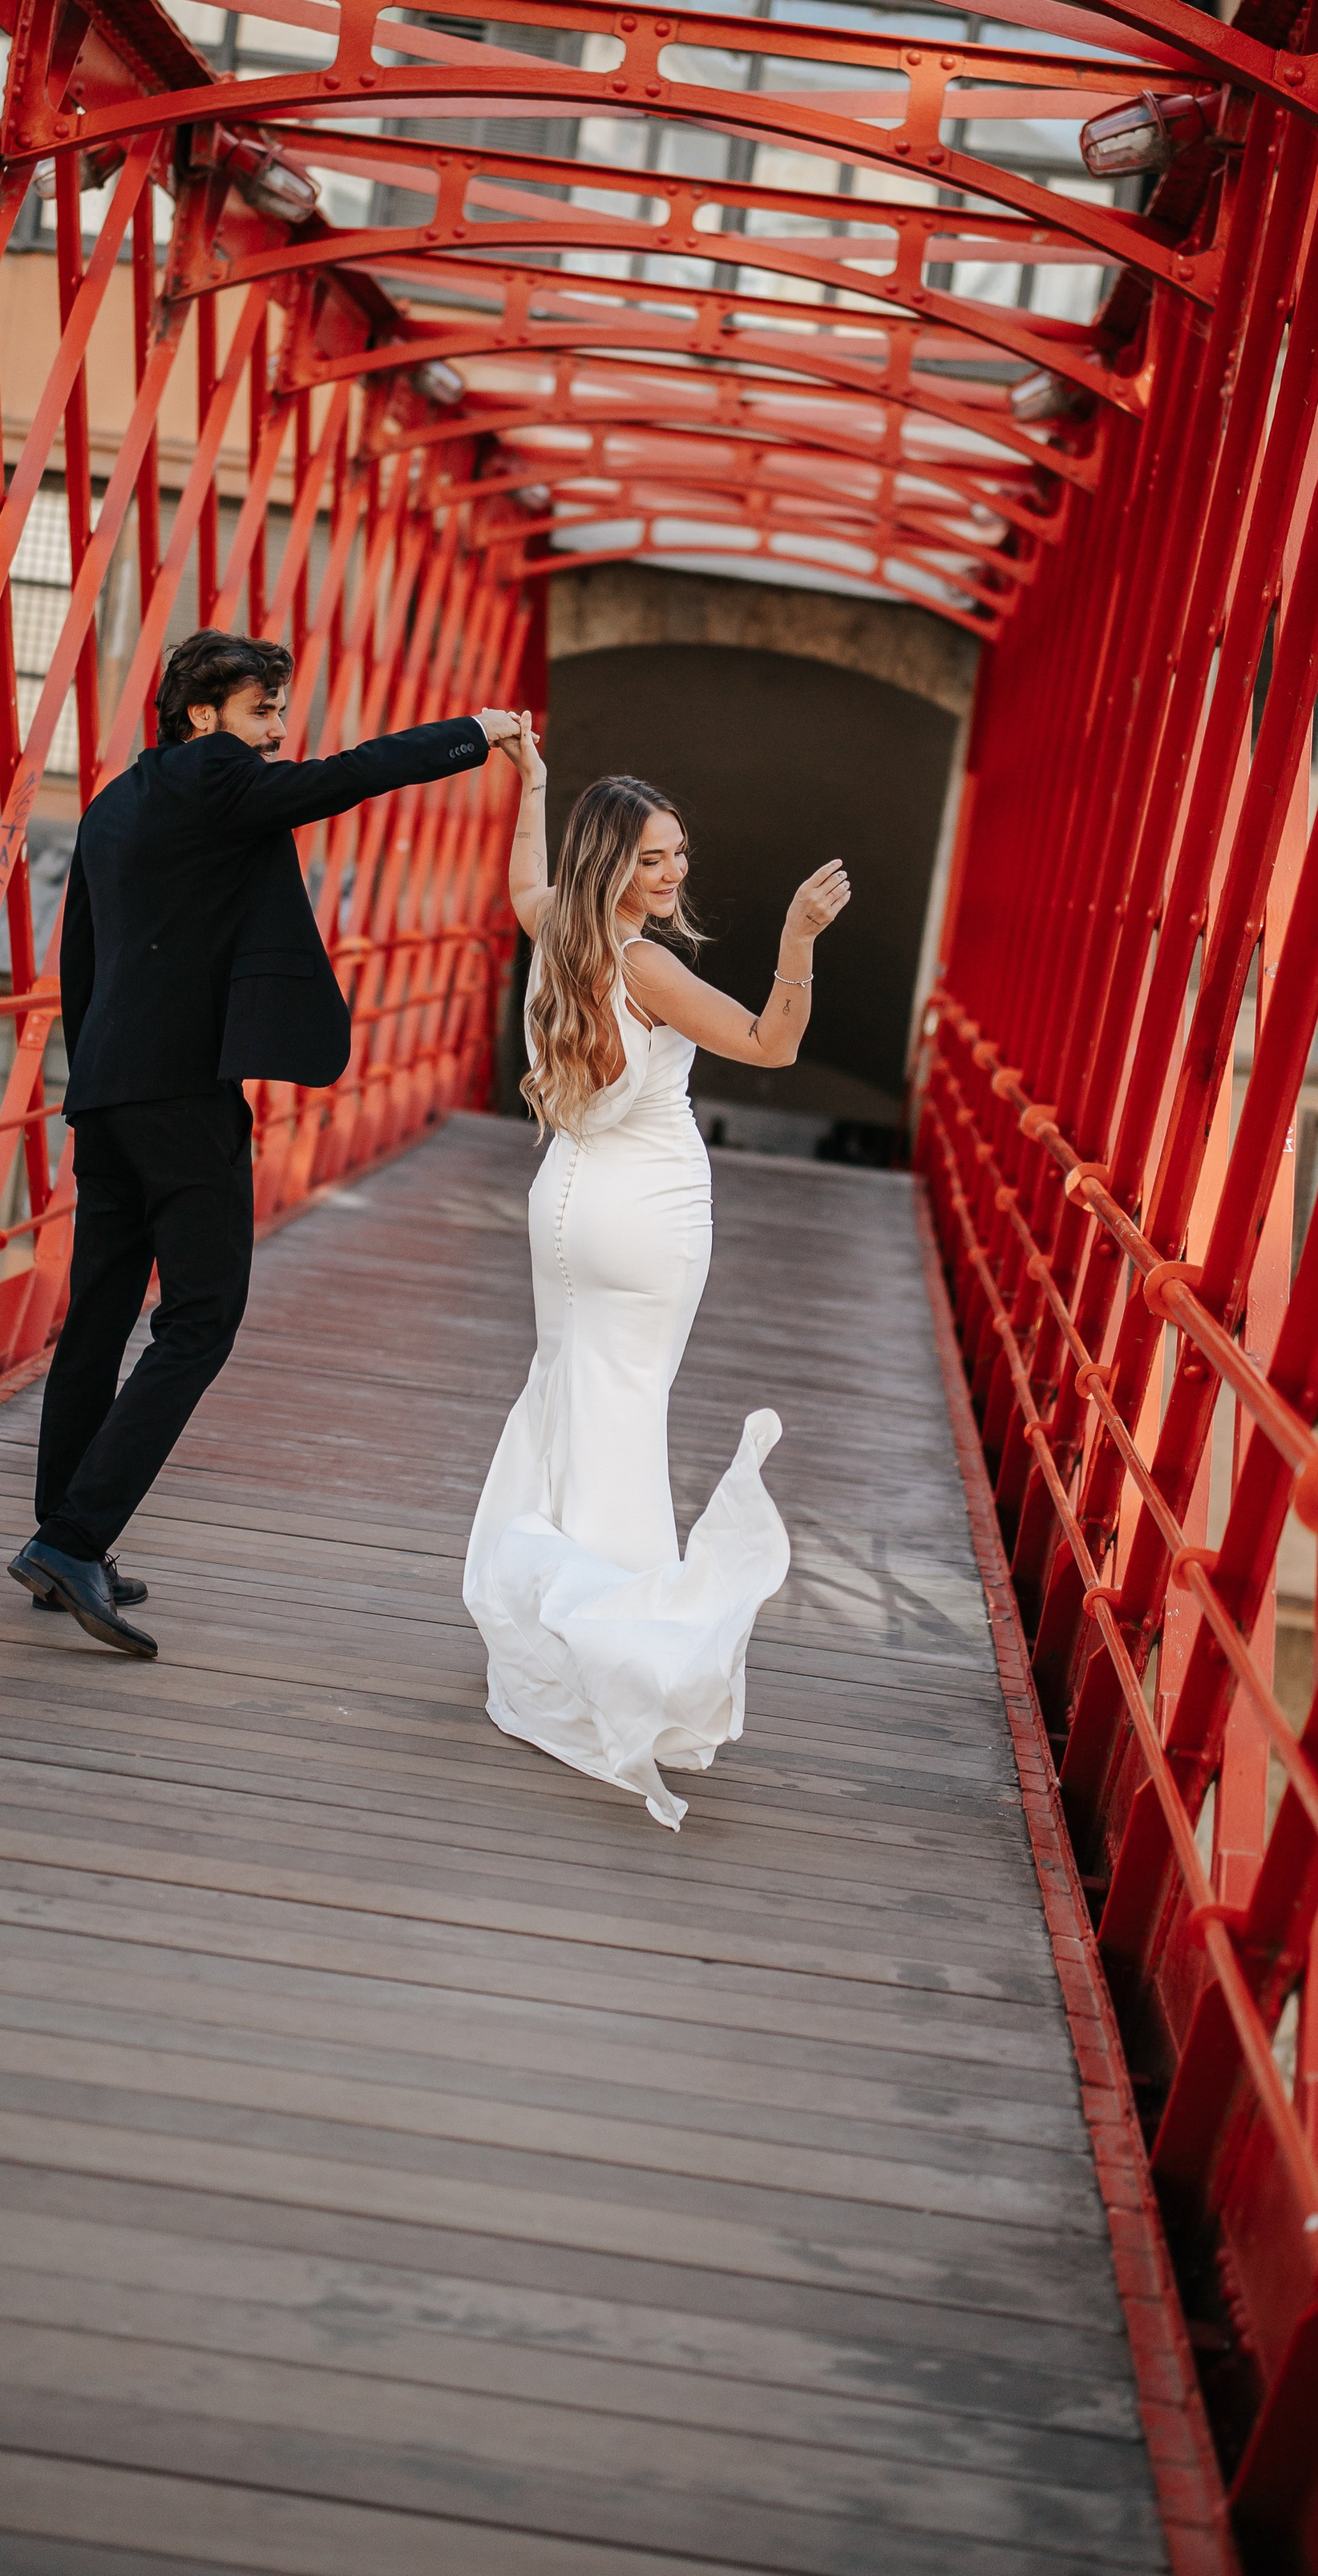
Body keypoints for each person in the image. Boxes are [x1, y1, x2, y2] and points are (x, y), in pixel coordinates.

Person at [13, 629, 523, 1657]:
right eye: (261, 712)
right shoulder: (216, 776)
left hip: (107, 1089)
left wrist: (92, 1082)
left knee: (101, 1316)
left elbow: (83, 960)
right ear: (201, 716)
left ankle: (58, 1540)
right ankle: (73, 1540)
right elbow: (347, 779)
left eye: (278, 713)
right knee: (202, 1319)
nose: (278, 733)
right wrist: (475, 732)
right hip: (180, 1095)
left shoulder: (117, 803)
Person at [463, 727, 851, 1825]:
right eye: (650, 858)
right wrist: (798, 939)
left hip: (565, 1201)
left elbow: (522, 882)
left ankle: (548, 1622)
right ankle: (616, 1661)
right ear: (613, 866)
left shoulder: (558, 933)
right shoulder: (645, 965)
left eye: (677, 853)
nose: (673, 873)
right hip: (646, 1215)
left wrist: (534, 785)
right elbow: (773, 1045)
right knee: (624, 1419)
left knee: (570, 1402)